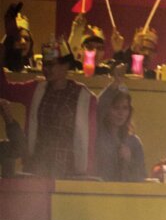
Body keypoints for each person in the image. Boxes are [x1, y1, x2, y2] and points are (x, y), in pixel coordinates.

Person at [0, 41, 96, 178]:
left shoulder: (85, 97)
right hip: (37, 167)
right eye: (45, 64)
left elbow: (90, 140)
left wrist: (87, 173)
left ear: (66, 66)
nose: (47, 69)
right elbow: (4, 90)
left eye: (52, 64)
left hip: (70, 172)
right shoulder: (35, 89)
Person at [94, 66, 146, 181]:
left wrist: (129, 160)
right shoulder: (99, 134)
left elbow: (141, 176)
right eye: (116, 108)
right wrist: (115, 84)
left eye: (125, 108)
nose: (121, 113)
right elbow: (98, 106)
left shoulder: (134, 142)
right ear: (107, 109)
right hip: (100, 192)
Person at [3, 3, 34, 72]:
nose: (23, 42)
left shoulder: (34, 66)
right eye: (17, 39)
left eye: (26, 39)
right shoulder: (3, 71)